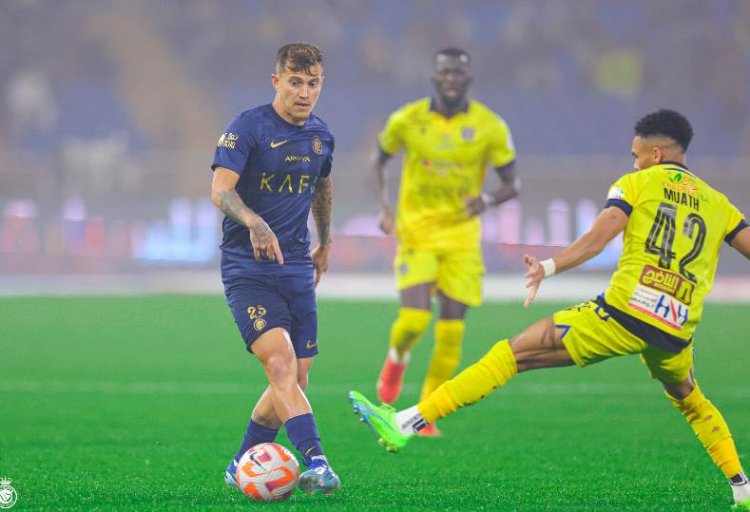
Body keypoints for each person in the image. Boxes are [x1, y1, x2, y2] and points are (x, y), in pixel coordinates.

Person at [350, 109, 750, 509]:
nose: (634, 161)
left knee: (510, 354)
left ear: (657, 153)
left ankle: (404, 423)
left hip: (625, 313)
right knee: (689, 399)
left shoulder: (637, 184)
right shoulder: (719, 204)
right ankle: (742, 487)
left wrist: (548, 266)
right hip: (676, 329)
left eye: (637, 154)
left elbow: (597, 240)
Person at [211, 42, 340, 495]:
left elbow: (321, 186)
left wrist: (324, 240)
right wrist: (254, 221)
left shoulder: (321, 136)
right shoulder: (248, 128)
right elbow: (220, 191)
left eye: (313, 83)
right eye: (295, 82)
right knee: (281, 364)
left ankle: (237, 464)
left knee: (295, 379)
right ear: (276, 82)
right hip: (248, 268)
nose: (304, 92)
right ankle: (318, 462)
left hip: (298, 268)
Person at [372, 48, 519, 436]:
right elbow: (379, 160)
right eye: (445, 73)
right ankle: (396, 358)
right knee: (414, 320)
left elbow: (511, 184)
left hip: (461, 239)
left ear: (468, 79)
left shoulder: (490, 126)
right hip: (417, 233)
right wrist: (386, 208)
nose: (451, 78)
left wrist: (486, 200)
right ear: (434, 78)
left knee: (452, 330)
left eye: (458, 73)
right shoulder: (407, 119)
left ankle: (426, 413)